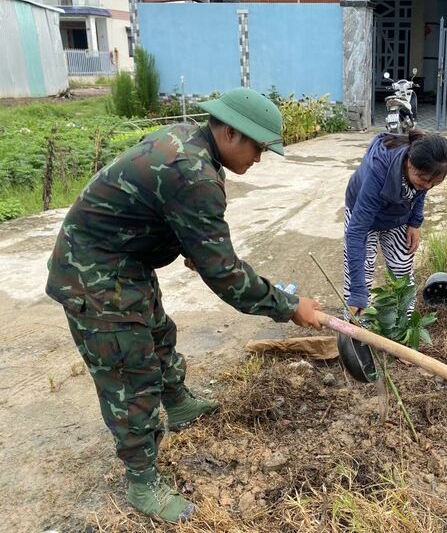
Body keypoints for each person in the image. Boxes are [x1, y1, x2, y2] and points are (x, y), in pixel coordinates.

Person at [45, 88, 322, 523]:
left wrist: (189, 244)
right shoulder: (193, 173)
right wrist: (289, 306)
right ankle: (142, 480)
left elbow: (172, 218)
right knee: (127, 370)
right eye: (258, 147)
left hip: (124, 258)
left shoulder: (189, 143)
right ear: (230, 132)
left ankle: (177, 402)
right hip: (92, 270)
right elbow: (226, 275)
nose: (259, 159)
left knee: (156, 331)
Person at [344, 130, 447, 316]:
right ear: (409, 163)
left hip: (398, 214)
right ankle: (355, 334)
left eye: (434, 183)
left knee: (402, 272)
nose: (427, 186)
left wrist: (415, 222)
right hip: (362, 213)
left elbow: (420, 191)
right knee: (361, 272)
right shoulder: (378, 173)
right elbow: (356, 233)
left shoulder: (424, 169)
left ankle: (402, 327)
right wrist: (357, 292)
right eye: (424, 180)